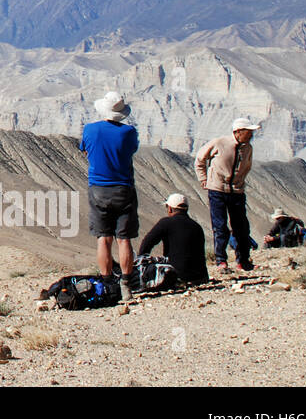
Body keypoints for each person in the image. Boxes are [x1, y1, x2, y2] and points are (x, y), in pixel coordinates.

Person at [80, 91, 140, 299]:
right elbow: (131, 151)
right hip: (124, 188)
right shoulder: (129, 132)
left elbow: (86, 151)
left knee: (104, 238)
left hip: (98, 189)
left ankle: (106, 284)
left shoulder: (90, 130)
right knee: (124, 239)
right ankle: (126, 285)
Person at [195, 117, 259, 272]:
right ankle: (221, 261)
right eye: (248, 132)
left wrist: (240, 182)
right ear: (238, 132)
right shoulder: (219, 143)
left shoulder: (248, 148)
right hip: (217, 190)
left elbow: (247, 167)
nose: (251, 135)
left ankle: (243, 261)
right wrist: (204, 179)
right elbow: (200, 159)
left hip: (237, 191)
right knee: (220, 226)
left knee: (242, 227)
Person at [138, 193, 209, 285]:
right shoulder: (197, 226)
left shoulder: (166, 223)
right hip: (200, 277)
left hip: (176, 276)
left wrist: (141, 262)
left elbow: (147, 243)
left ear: (170, 208)